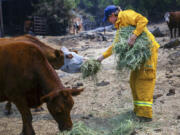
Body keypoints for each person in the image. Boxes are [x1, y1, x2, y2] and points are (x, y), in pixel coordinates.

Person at [97, 5, 160, 122]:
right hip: (138, 56)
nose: (109, 22)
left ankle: (145, 116)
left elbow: (143, 20)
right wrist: (101, 57)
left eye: (108, 19)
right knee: (134, 81)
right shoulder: (120, 26)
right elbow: (116, 45)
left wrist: (134, 36)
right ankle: (138, 111)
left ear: (112, 15)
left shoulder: (126, 15)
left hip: (147, 51)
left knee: (144, 81)